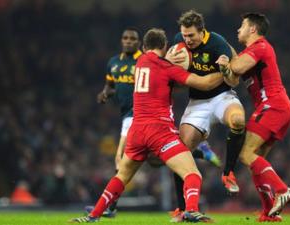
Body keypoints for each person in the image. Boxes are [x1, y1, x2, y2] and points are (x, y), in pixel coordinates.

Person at [70, 28, 224, 223]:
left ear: (143, 48)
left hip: (137, 130)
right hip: (159, 131)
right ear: (164, 46)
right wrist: (225, 72)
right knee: (193, 174)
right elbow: (204, 83)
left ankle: (93, 215)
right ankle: (191, 210)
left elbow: (162, 81)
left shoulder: (141, 61)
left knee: (121, 176)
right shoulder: (166, 67)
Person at [216, 13, 290, 222]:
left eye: (242, 26)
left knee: (245, 154)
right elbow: (233, 79)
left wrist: (227, 61)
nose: (238, 30)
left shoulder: (260, 46)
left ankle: (282, 190)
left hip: (272, 106)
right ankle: (268, 212)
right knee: (255, 158)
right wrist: (226, 67)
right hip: (278, 107)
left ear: (253, 29)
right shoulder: (252, 51)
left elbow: (237, 68)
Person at [167, 10, 246, 220]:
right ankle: (181, 208)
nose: (187, 40)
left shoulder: (218, 44)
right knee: (179, 152)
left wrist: (226, 69)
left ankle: (228, 172)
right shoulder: (178, 44)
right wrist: (168, 62)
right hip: (198, 103)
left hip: (222, 97)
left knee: (238, 121)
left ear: (202, 32)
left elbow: (234, 81)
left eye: (191, 35)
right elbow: (172, 80)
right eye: (184, 35)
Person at [85, 27, 142, 218]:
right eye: (125, 38)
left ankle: (110, 207)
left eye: (132, 39)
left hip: (140, 113)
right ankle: (192, 149)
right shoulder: (113, 63)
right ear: (121, 40)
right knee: (156, 158)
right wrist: (104, 94)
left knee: (120, 158)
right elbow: (110, 86)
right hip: (127, 115)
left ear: (139, 42)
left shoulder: (144, 61)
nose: (128, 41)